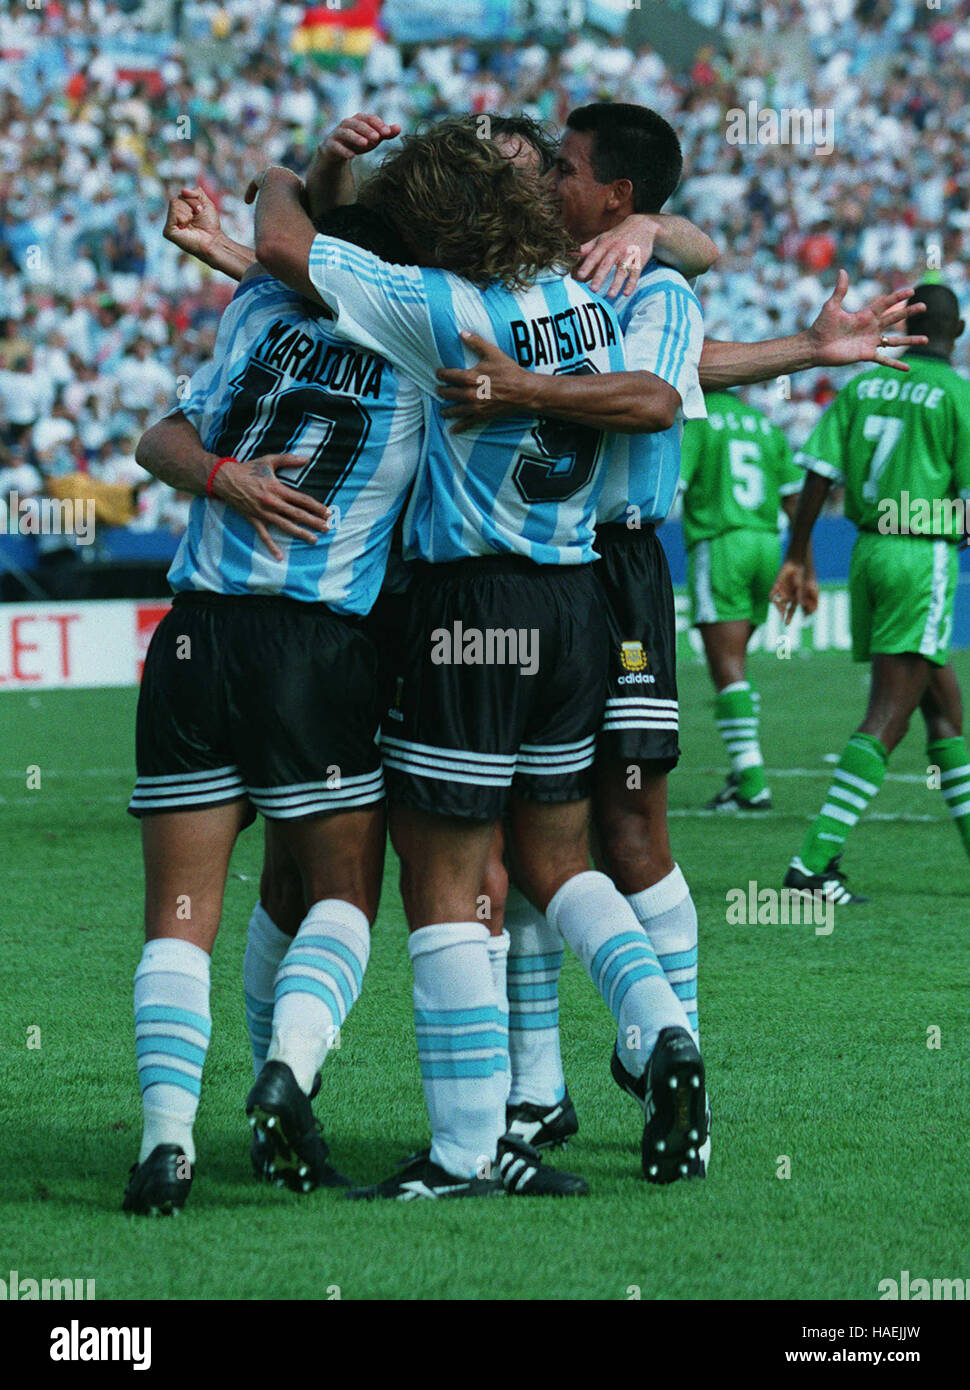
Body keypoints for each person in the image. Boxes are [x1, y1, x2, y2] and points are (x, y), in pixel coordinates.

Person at [250, 118, 707, 1198]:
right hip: (574, 604)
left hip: (469, 607)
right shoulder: (589, 305)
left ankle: (462, 1150)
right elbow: (661, 376)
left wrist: (279, 173)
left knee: (447, 880)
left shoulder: (438, 308)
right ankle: (665, 1030)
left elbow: (281, 247)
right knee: (563, 861)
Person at [121, 203, 424, 1216]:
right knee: (342, 891)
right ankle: (288, 1071)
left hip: (195, 634)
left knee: (177, 916)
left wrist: (225, 478)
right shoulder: (422, 341)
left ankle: (165, 1146)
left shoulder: (254, 308)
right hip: (314, 642)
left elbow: (152, 439)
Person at [773, 283, 970, 903]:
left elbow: (818, 473)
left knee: (943, 711)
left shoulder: (862, 384)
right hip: (920, 554)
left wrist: (799, 554)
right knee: (890, 714)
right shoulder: (958, 395)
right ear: (957, 331)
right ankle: (810, 866)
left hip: (866, 550)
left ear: (905, 322)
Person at [679, 387, 818, 812]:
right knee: (738, 663)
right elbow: (795, 501)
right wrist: (805, 569)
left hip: (721, 543)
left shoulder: (698, 420)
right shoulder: (764, 425)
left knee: (727, 668)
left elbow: (674, 485)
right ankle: (742, 773)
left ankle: (752, 781)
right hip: (766, 546)